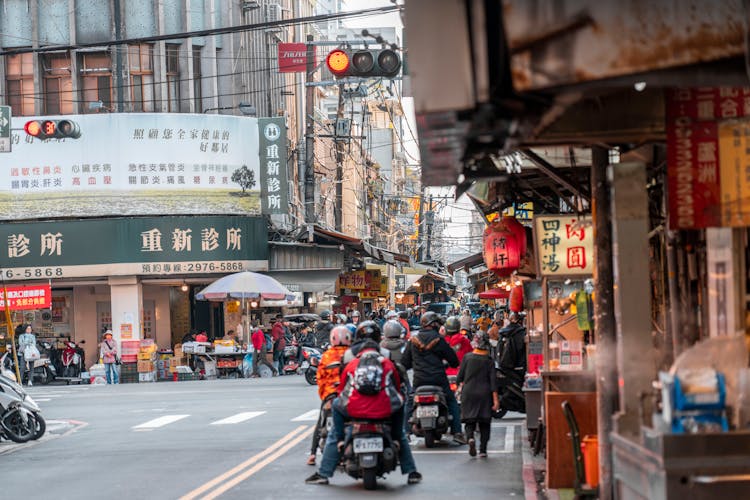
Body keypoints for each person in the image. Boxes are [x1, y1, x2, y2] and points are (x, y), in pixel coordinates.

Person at [306, 321, 421, 486]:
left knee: (334, 425)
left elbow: (342, 388)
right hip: (383, 409)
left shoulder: (350, 362)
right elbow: (396, 385)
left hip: (354, 409)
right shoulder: (387, 361)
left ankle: (324, 472)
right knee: (401, 433)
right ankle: (411, 472)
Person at [401, 311, 466, 444]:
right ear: (434, 324)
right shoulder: (439, 340)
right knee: (452, 401)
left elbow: (404, 364)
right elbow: (453, 360)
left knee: (409, 402)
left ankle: (406, 432)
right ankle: (457, 432)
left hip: (419, 381)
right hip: (439, 380)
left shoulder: (413, 341)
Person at [307, 325, 352, 466]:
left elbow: (320, 378)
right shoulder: (352, 354)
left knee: (320, 423)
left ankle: (313, 454)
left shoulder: (327, 355)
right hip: (348, 395)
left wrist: (325, 395)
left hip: (330, 395)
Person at [457, 331, 499, 457]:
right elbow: (493, 382)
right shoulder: (489, 360)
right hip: (484, 394)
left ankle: (470, 438)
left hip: (468, 392)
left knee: (469, 420)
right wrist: (496, 400)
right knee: (485, 422)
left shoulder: (467, 357)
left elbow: (460, 378)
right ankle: (483, 450)